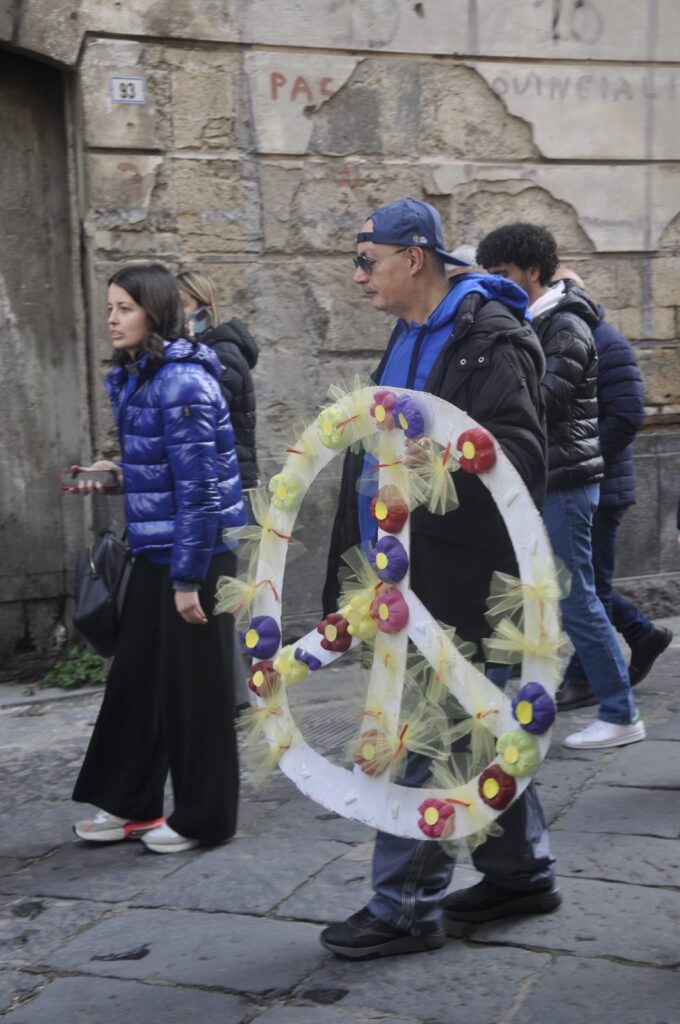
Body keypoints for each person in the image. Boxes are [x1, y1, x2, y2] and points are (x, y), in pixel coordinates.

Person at [321, 198, 558, 961]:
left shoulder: (490, 336)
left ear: (413, 258)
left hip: (457, 579)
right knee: (482, 727)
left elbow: (522, 453)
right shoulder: (411, 332)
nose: (358, 277)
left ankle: (403, 906)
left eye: (367, 261)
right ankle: (521, 872)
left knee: (420, 737)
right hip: (402, 572)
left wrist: (448, 459)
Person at [70, 262, 245, 853]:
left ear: (154, 313)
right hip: (157, 548)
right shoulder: (140, 377)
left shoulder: (183, 382)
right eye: (110, 307)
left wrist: (189, 579)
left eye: (124, 308)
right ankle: (130, 804)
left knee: (196, 689)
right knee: (138, 677)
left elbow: (201, 491)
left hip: (197, 555)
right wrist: (115, 476)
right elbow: (167, 474)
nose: (112, 319)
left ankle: (206, 817)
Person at [477, 224, 645, 750]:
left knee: (578, 602)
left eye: (503, 275)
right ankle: (488, 703)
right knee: (513, 591)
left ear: (532, 271)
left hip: (566, 483)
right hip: (539, 479)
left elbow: (536, 402)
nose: (494, 286)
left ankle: (621, 713)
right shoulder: (531, 322)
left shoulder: (566, 325)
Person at [551, 267, 672, 710]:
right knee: (584, 584)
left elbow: (625, 418)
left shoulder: (608, 342)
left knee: (586, 588)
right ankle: (643, 635)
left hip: (602, 487)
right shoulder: (565, 339)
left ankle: (589, 682)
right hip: (573, 481)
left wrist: (580, 459)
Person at [176, 269, 259, 490]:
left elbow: (202, 415)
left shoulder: (223, 354)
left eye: (183, 306)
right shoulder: (194, 353)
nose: (176, 316)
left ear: (206, 310)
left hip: (229, 483)